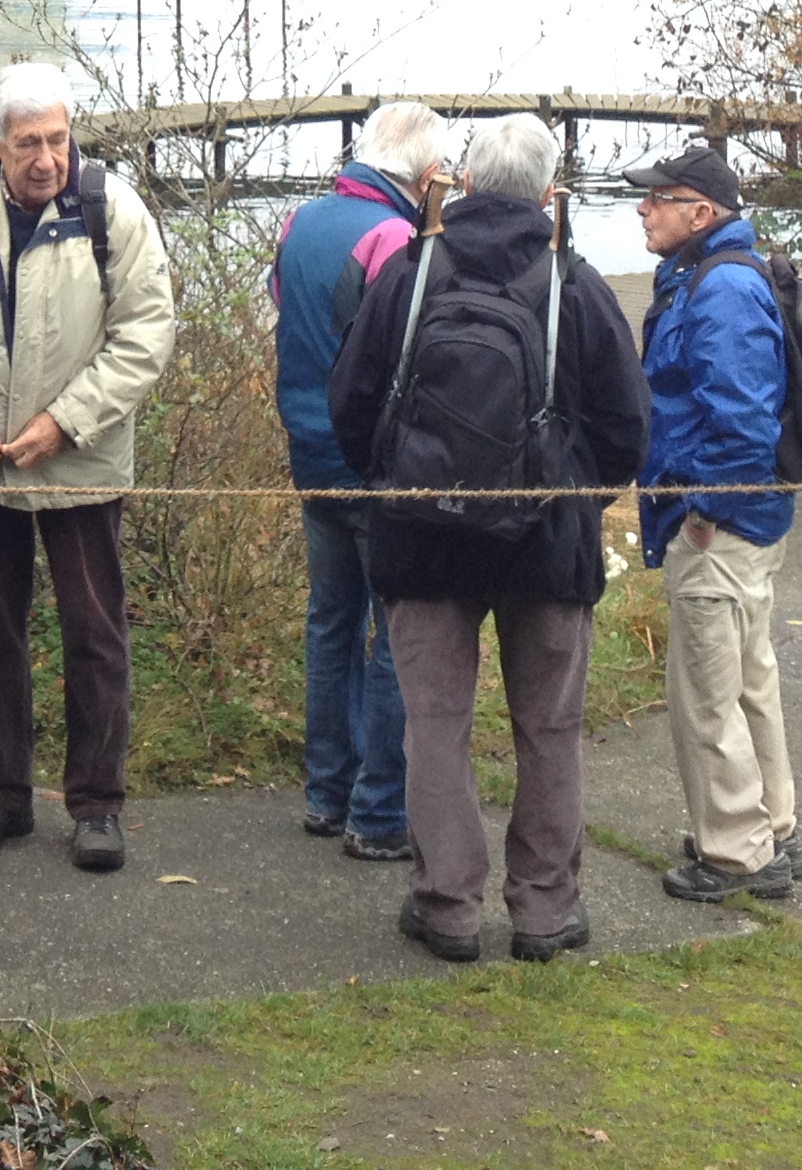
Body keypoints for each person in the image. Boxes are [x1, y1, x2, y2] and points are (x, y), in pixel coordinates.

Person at [329, 114, 649, 963]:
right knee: (549, 728)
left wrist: (398, 482)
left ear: (464, 184)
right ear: (548, 195)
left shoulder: (409, 276)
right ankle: (545, 910)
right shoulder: (576, 287)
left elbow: (351, 405)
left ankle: (448, 907)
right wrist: (574, 496)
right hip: (547, 545)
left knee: (434, 727)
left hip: (421, 538)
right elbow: (627, 428)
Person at [0, 61, 175, 877]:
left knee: (94, 632)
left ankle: (97, 805)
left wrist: (63, 424)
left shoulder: (114, 210)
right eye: (29, 143)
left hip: (83, 462)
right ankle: (0, 793)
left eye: (59, 140)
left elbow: (146, 334)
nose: (47, 159)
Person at [268, 100, 449, 861]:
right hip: (372, 461)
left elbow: (284, 309)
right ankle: (377, 812)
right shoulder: (396, 239)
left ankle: (325, 791)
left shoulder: (297, 222)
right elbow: (405, 354)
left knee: (329, 621)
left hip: (309, 451)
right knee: (392, 632)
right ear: (427, 174)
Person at [625, 143, 802, 903]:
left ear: (700, 212)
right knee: (748, 680)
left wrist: (701, 511)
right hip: (742, 521)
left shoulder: (721, 289)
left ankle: (735, 854)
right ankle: (772, 828)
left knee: (708, 694)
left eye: (657, 198)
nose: (642, 209)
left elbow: (743, 425)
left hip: (721, 525)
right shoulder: (708, 275)